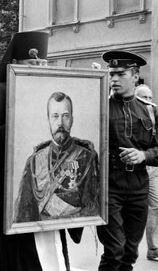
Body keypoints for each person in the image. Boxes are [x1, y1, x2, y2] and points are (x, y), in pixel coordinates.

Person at [0, 31, 83, 271]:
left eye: (44, 63)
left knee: (52, 257)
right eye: (34, 63)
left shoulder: (53, 93)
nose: (40, 68)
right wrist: (15, 124)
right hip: (16, 200)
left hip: (50, 194)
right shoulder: (0, 92)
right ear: (15, 64)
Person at [97, 51, 158, 270]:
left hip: (139, 186)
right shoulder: (98, 107)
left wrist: (144, 155)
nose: (113, 79)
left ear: (135, 76)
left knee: (130, 252)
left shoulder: (150, 111)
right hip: (108, 187)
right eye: (111, 73)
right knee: (114, 250)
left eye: (120, 74)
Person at [14, 91, 99, 223]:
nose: (60, 123)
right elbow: (24, 210)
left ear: (72, 119)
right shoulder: (35, 160)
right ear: (48, 119)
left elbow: (92, 207)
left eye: (65, 116)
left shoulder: (86, 158)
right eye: (55, 116)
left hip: (73, 226)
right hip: (41, 229)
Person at [134, 84, 158, 262]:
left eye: (150, 98)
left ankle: (153, 249)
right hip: (134, 169)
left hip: (152, 167)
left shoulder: (153, 114)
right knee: (134, 210)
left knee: (154, 207)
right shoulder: (132, 114)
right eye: (144, 97)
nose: (148, 101)